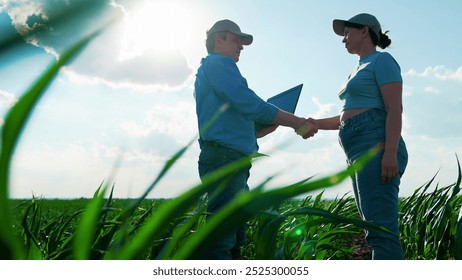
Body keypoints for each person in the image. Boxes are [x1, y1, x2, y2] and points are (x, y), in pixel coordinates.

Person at [194, 19, 316, 260]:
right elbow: (249, 102)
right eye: (237, 40)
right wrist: (296, 122)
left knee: (234, 237)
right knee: (222, 239)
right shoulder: (219, 64)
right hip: (225, 159)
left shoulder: (218, 70)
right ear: (219, 39)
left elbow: (244, 120)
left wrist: (266, 125)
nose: (241, 46)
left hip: (231, 158)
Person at [309, 13, 408, 259]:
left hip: (377, 146)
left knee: (380, 232)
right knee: (372, 230)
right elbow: (346, 117)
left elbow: (394, 108)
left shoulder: (382, 61)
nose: (343, 40)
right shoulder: (357, 69)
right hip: (357, 152)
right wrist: (313, 123)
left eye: (346, 33)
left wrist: (390, 153)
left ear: (364, 31)